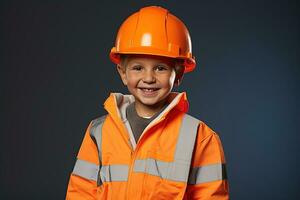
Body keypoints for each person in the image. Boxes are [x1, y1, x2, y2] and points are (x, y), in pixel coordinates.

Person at [66, 5, 229, 200]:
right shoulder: (99, 131)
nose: (149, 78)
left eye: (160, 68)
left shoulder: (200, 138)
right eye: (138, 68)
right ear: (123, 73)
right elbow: (81, 193)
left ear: (178, 74)